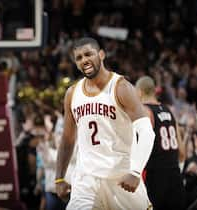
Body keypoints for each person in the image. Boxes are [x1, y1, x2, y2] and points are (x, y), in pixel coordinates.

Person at [55, 37, 155, 209]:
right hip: (86, 180)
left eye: (88, 54)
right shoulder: (72, 93)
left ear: (101, 54)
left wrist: (135, 172)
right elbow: (68, 139)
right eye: (79, 58)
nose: (84, 60)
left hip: (120, 176)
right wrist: (59, 177)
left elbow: (146, 132)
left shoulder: (121, 87)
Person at [135, 76, 186, 210]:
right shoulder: (169, 111)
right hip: (175, 176)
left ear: (139, 92)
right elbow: (182, 152)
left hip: (155, 177)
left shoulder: (145, 111)